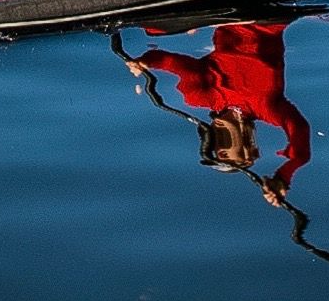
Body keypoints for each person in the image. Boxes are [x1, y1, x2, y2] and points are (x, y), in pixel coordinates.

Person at [124, 21, 310, 206]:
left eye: (236, 159)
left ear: (220, 150)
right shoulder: (266, 108)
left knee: (153, 28)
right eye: (251, 156)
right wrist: (284, 175)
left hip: (229, 17)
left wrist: (146, 62)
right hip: (268, 18)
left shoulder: (202, 97)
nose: (251, 155)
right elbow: (299, 130)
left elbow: (174, 63)